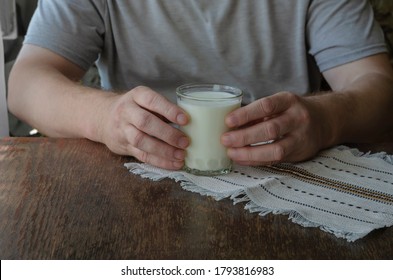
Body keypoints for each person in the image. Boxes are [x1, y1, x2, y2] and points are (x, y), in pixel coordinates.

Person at [7, 0, 393, 170]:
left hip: (292, 176)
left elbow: (379, 88)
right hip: (139, 180)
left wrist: (326, 118)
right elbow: (25, 84)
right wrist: (105, 117)